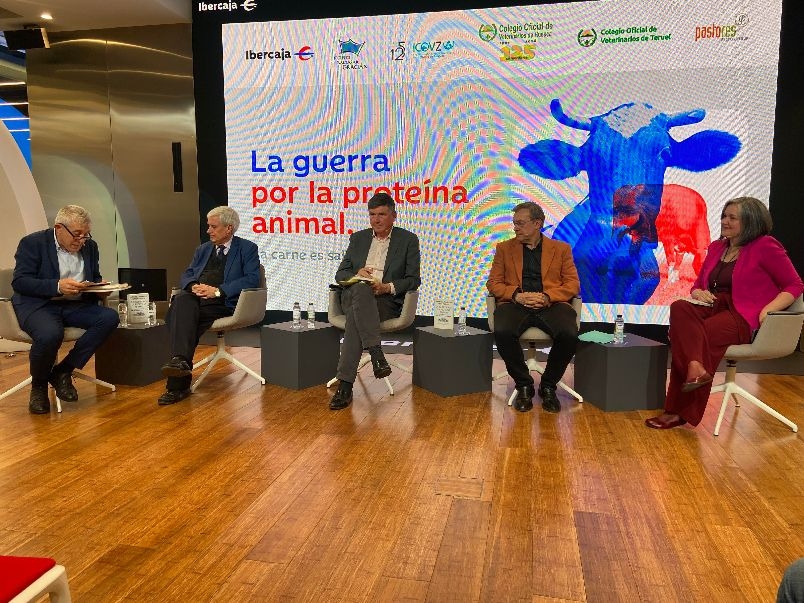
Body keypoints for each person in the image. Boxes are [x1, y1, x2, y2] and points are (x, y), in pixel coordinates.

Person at [646, 197, 803, 429]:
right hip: (712, 305)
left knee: (699, 337)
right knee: (680, 307)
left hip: (741, 313)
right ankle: (696, 370)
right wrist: (698, 293)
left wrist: (769, 310)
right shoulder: (717, 247)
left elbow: (794, 284)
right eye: (724, 216)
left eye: (732, 218)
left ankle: (677, 411)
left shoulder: (766, 246)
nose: (724, 221)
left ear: (750, 221)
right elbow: (698, 284)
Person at [11, 205, 119, 414]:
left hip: (74, 304)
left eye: (85, 235)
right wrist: (57, 286)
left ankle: (63, 371)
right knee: (51, 333)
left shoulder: (90, 246)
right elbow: (20, 282)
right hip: (38, 304)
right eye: (77, 235)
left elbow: (93, 276)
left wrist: (99, 288)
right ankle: (39, 386)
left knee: (109, 318)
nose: (81, 240)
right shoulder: (33, 243)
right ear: (59, 228)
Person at [158, 206, 260, 405]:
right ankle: (180, 362)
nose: (208, 231)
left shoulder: (247, 248)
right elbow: (187, 274)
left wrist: (217, 290)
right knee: (183, 302)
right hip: (195, 298)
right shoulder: (203, 249)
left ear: (229, 228)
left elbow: (252, 279)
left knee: (181, 315)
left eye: (213, 227)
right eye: (208, 226)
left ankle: (178, 384)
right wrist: (194, 286)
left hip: (223, 302)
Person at [329, 192, 420, 410]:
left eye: (381, 214)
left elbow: (413, 279)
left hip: (384, 300)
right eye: (372, 214)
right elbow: (340, 274)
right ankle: (376, 352)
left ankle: (345, 385)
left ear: (393, 216)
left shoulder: (407, 240)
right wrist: (358, 273)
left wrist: (386, 287)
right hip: (354, 295)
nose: (376, 220)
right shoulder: (358, 238)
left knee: (355, 319)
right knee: (361, 289)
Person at [487, 201, 580, 413]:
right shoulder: (504, 249)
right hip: (515, 303)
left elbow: (573, 284)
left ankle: (548, 386)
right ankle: (524, 385)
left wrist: (547, 297)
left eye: (520, 223)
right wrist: (516, 295)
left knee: (568, 333)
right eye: (514, 223)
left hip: (551, 304)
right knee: (502, 331)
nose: (515, 227)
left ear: (537, 223)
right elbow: (493, 283)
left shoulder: (561, 249)